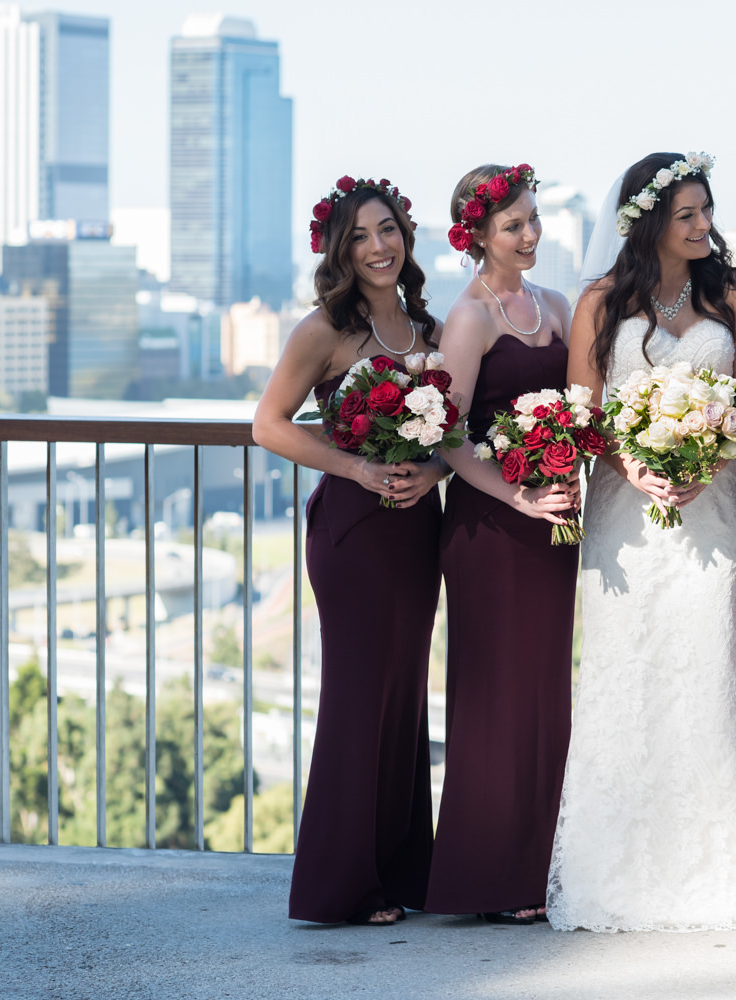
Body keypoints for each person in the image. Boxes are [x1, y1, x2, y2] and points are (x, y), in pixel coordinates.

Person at [547, 151, 736, 933]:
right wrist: (638, 465)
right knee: (626, 665)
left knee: (706, 663)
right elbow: (584, 415)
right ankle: (616, 872)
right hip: (622, 508)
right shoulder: (601, 301)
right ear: (650, 221)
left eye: (707, 210)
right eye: (688, 215)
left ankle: (715, 871)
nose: (705, 225)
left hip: (712, 505)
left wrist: (701, 459)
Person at [253, 176, 442, 926]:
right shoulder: (323, 329)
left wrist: (428, 473)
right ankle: (342, 886)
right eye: (361, 236)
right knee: (360, 700)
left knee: (404, 700)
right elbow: (268, 425)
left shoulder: (426, 326)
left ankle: (399, 873)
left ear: (406, 234)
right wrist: (357, 466)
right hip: (353, 532)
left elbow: (448, 435)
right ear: (340, 249)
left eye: (388, 229)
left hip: (415, 529)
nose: (378, 246)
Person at [420, 163, 581, 925]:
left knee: (545, 694)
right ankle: (490, 876)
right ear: (476, 236)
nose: (530, 234)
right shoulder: (470, 317)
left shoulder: (555, 304)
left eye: (532, 219)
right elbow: (447, 437)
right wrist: (520, 494)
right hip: (491, 527)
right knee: (497, 699)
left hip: (553, 523)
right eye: (513, 224)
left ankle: (543, 866)